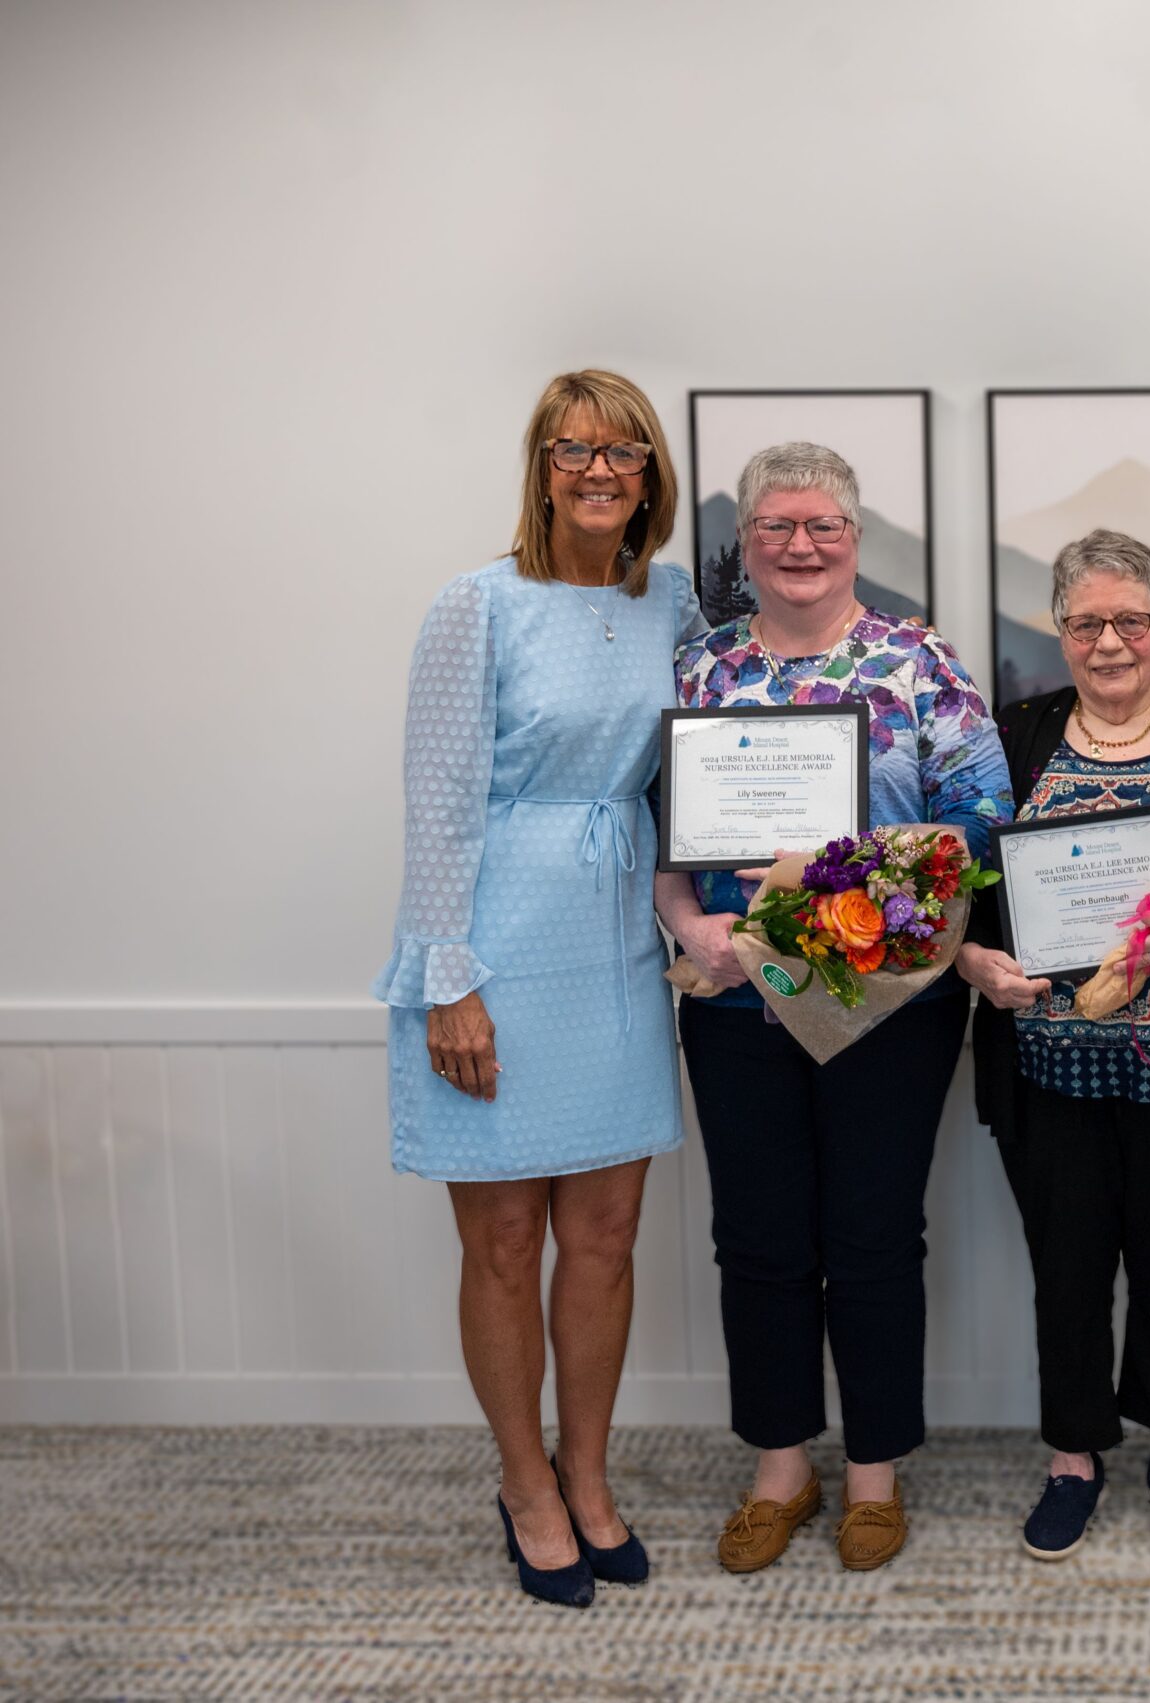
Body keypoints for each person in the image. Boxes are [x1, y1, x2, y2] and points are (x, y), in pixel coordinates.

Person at [654, 442, 1009, 1575]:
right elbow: (652, 825)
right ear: (747, 539)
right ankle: (780, 1467)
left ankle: (872, 1474)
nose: (800, 545)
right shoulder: (702, 669)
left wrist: (852, 875)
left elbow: (983, 822)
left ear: (854, 538)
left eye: (823, 526)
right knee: (754, 1238)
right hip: (732, 992)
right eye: (777, 526)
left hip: (886, 1002)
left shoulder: (917, 662)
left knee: (869, 1235)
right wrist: (685, 921)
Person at [374, 369, 699, 1607]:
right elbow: (439, 795)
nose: (600, 469)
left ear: (650, 472)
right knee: (505, 1241)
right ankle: (524, 1483)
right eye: (576, 449)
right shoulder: (477, 604)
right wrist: (449, 976)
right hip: (494, 935)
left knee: (604, 1238)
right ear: (542, 466)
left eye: (624, 450)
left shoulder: (669, 600)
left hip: (614, 932)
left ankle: (591, 1470)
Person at [957, 529, 1150, 1563]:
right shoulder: (1011, 738)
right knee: (1067, 1263)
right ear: (1059, 633)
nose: (1108, 642)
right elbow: (951, 886)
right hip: (1043, 1062)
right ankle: (1074, 1453)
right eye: (1086, 622)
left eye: (1129, 620)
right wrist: (975, 963)